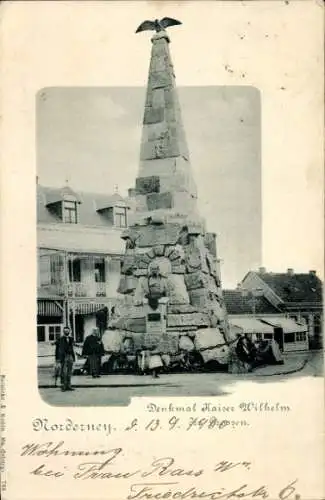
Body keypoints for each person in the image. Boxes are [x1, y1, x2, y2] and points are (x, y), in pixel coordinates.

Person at [57, 326, 76, 391]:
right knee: (63, 372)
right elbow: (57, 349)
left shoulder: (71, 339)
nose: (66, 332)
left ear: (69, 331)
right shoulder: (60, 339)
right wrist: (58, 359)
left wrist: (73, 357)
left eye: (67, 331)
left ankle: (69, 386)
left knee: (69, 372)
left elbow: (73, 348)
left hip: (70, 356)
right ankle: (64, 386)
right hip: (63, 357)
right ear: (63, 331)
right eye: (65, 331)